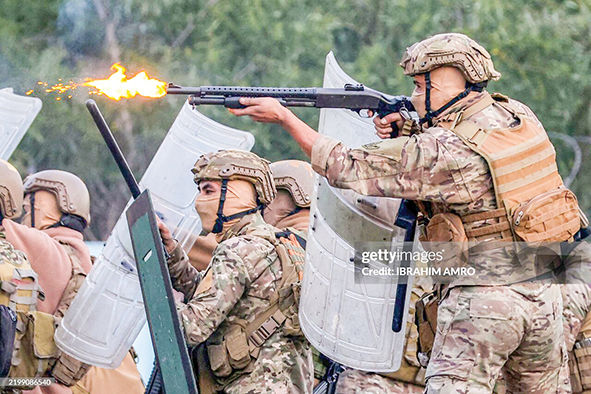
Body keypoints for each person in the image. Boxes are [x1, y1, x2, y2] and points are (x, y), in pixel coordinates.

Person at [227, 32, 583, 392]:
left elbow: (346, 166)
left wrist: (285, 118)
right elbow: (469, 160)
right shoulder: (517, 115)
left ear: (445, 84)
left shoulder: (442, 150)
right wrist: (410, 127)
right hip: (546, 294)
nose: (414, 96)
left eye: (418, 85)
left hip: (484, 301)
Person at [158, 149, 313, 393]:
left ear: (236, 194)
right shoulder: (279, 243)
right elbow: (222, 297)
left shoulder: (238, 249)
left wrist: (153, 296)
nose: (200, 201)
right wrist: (173, 256)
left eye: (208, 190)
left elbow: (191, 328)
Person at [4, 169, 144, 394]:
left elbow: (5, 228)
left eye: (29, 209)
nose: (22, 216)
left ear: (47, 212)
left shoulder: (48, 251)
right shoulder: (91, 261)